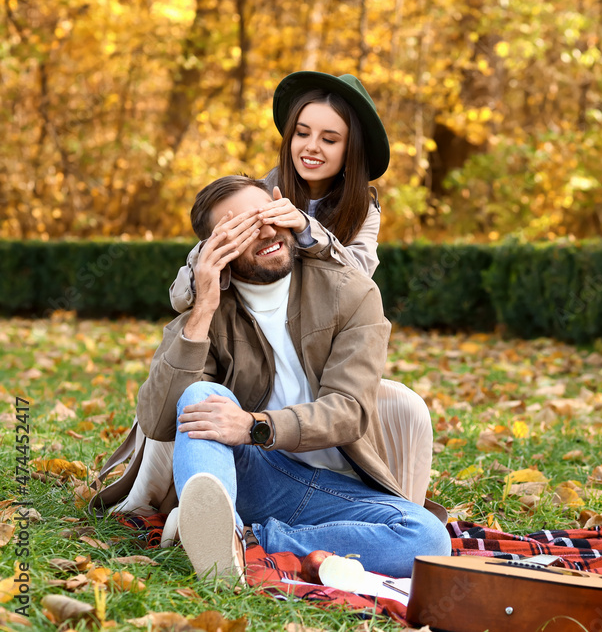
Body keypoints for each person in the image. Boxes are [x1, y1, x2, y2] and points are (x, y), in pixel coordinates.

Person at [110, 74, 430, 541]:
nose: (312, 147)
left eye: (329, 138)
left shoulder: (361, 214)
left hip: (320, 365)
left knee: (404, 413)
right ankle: (191, 509)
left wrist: (308, 230)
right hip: (254, 442)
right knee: (199, 396)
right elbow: (185, 293)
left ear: (350, 150)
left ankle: (248, 539)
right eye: (302, 133)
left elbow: (356, 288)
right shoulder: (264, 191)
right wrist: (209, 272)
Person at [98, 175, 451, 581]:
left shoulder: (350, 292)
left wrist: (255, 426)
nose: (264, 230)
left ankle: (234, 540)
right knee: (200, 393)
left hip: (335, 487)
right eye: (241, 229)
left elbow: (349, 411)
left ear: (283, 207)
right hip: (250, 476)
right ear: (215, 249)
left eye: (266, 214)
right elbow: (158, 421)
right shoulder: (212, 309)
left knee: (427, 537)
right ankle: (218, 528)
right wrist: (202, 310)